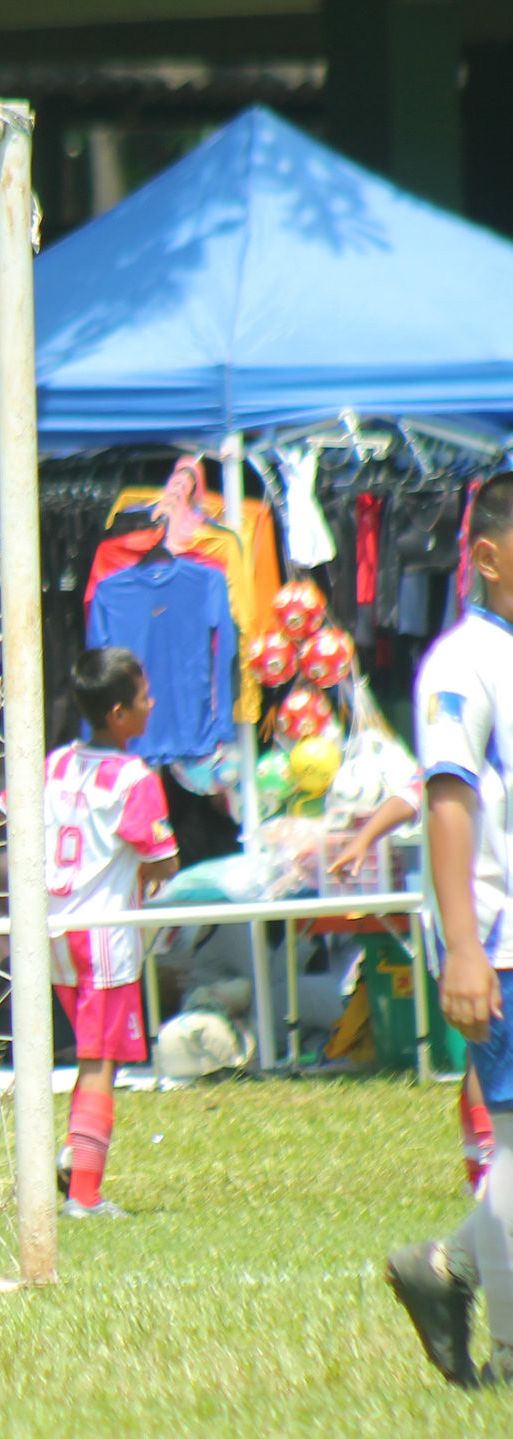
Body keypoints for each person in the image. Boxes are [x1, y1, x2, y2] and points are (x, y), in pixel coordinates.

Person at [387, 469, 513, 1389]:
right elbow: (447, 800)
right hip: (503, 944)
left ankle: (444, 1271)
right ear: (487, 557)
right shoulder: (462, 662)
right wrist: (464, 946)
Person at [43, 648, 179, 1220]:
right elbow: (163, 859)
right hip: (101, 936)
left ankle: (77, 1154)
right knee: (100, 1063)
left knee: (90, 1056)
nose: (152, 705)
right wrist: (148, 868)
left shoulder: (52, 763)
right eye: (145, 696)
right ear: (120, 714)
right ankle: (85, 1196)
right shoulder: (135, 779)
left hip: (52, 931)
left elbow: (13, 815)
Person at [332, 779, 495, 1195]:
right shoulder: (467, 740)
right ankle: (490, 1164)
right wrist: (364, 839)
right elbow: (413, 793)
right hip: (477, 926)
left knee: (491, 1047)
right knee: (490, 1042)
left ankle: (483, 1160)